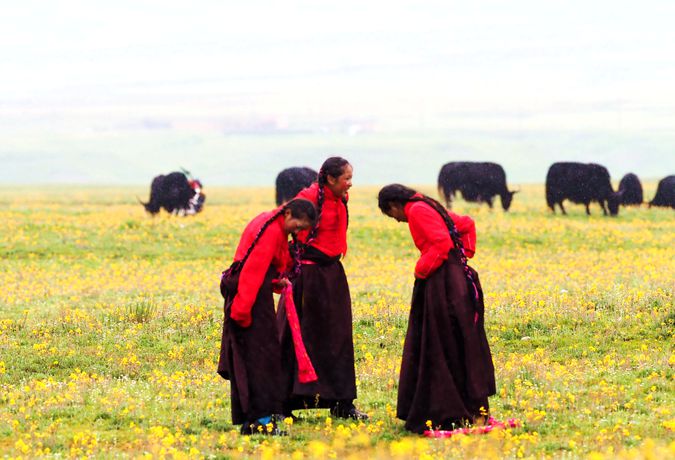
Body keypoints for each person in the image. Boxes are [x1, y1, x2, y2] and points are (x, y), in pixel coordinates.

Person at [377, 184, 496, 434]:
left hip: (443, 281)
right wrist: (463, 254)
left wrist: (421, 270)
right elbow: (465, 224)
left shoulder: (417, 210)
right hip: (455, 277)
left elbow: (440, 243)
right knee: (458, 340)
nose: (397, 221)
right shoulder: (429, 204)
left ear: (394, 205)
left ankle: (445, 408)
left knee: (440, 343)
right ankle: (469, 405)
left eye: (392, 215)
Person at [217, 199, 317, 435]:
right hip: (248, 300)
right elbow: (252, 272)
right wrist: (242, 313)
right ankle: (260, 421)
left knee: (256, 359)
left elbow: (259, 269)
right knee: (260, 361)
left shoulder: (271, 222)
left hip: (250, 297)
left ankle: (255, 419)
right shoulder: (271, 232)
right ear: (289, 213)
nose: (298, 231)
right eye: (298, 225)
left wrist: (274, 282)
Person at [280, 156, 368, 420]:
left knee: (336, 339)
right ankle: (283, 402)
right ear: (330, 179)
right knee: (299, 337)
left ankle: (341, 402)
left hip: (332, 274)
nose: (350, 184)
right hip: (307, 275)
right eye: (347, 179)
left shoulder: (340, 198)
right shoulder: (307, 198)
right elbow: (284, 226)